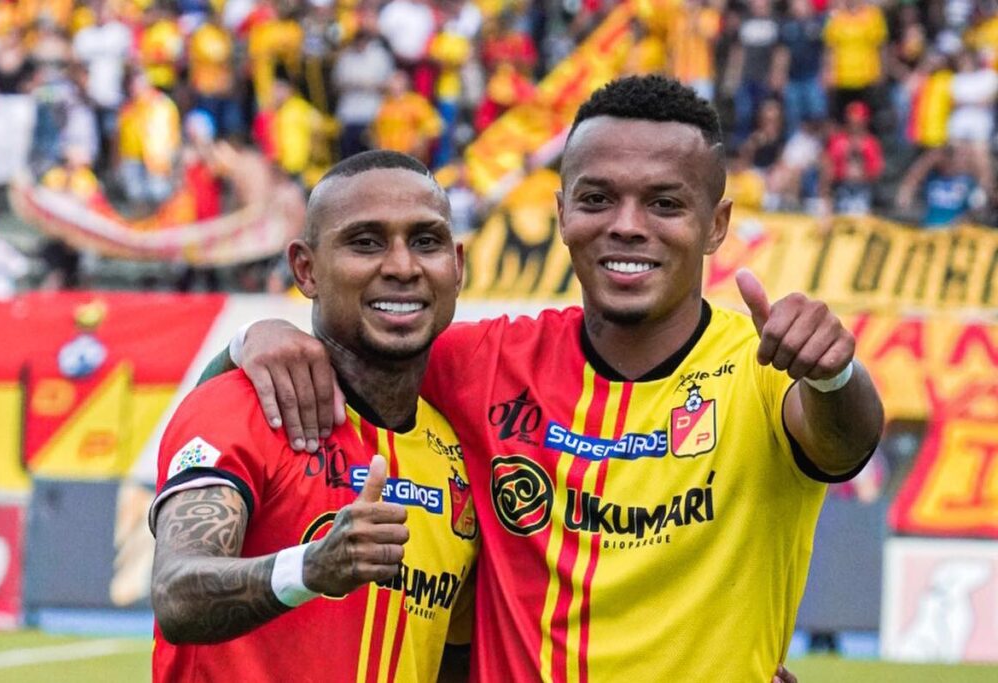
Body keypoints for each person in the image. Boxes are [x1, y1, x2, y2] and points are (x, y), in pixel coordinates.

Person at [221, 76, 881, 681]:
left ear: (716, 225)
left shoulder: (759, 369)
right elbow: (285, 380)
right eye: (597, 198)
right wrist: (251, 338)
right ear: (563, 212)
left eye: (664, 203)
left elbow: (844, 438)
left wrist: (834, 375)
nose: (627, 224)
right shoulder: (482, 360)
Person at [149, 151, 477, 682]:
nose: (401, 266)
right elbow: (177, 592)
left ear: (457, 267)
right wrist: (310, 568)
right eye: (365, 242)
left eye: (426, 241)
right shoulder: (242, 405)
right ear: (306, 269)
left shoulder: (460, 453)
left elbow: (452, 661)